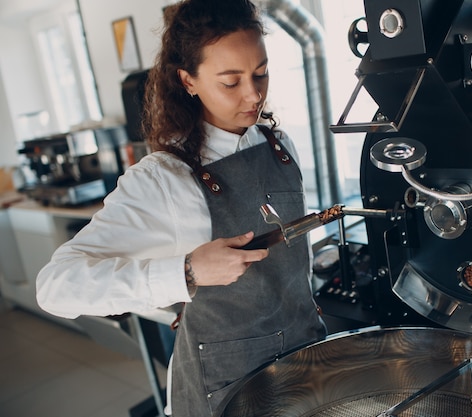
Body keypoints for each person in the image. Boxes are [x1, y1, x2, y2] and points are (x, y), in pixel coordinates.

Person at [36, 0, 327, 415]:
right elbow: (54, 287)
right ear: (188, 81)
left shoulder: (280, 146)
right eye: (230, 82)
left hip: (304, 365)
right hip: (225, 389)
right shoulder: (164, 179)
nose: (253, 94)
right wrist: (185, 272)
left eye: (260, 73)